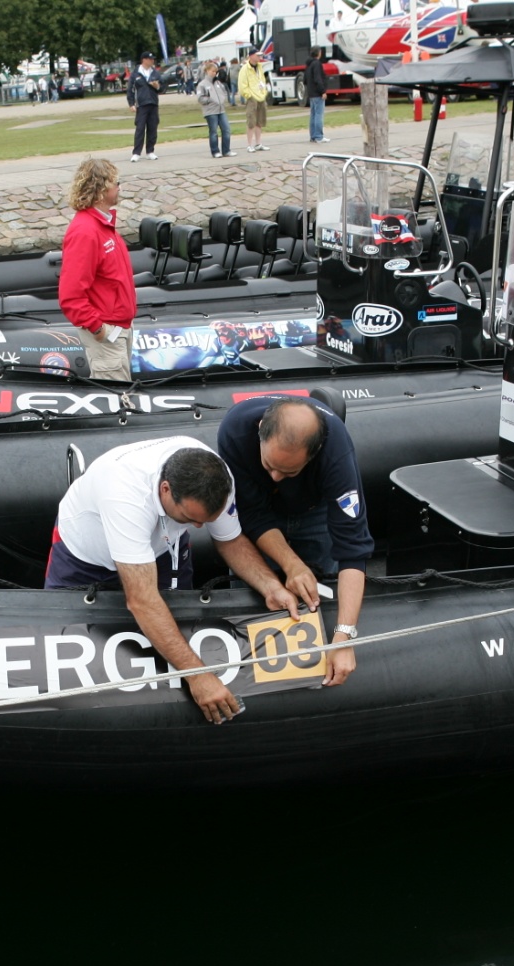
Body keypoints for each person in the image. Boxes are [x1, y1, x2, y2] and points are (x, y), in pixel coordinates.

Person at [45, 437, 299, 723]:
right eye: (190, 517)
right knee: (63, 643)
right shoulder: (125, 493)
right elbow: (142, 602)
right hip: (86, 555)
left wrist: (271, 586)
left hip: (163, 547)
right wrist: (199, 676)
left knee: (180, 627)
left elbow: (230, 540)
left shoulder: (217, 477)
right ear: (165, 489)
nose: (199, 526)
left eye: (203, 520)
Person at [216, 396, 371, 686]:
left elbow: (353, 548)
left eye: (289, 472)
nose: (276, 477)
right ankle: (243, 675)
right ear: (261, 429)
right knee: (250, 593)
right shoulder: (235, 430)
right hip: (258, 512)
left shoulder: (336, 452)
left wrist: (345, 635)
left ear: (314, 454)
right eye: (269, 465)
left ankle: (320, 659)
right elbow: (251, 515)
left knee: (319, 592)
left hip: (314, 511)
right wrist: (292, 565)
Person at [58, 158, 135, 382]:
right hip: (107, 332)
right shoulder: (86, 231)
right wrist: (99, 329)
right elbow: (71, 295)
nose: (119, 187)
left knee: (122, 396)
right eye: (116, 182)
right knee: (116, 402)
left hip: (119, 327)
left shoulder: (102, 226)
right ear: (101, 188)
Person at [127, 52, 162, 161]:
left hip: (153, 103)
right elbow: (130, 90)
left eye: (153, 59)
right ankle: (136, 152)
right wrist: (131, 103)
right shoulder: (136, 74)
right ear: (144, 60)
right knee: (140, 128)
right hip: (141, 105)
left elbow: (161, 87)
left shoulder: (155, 73)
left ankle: (150, 151)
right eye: (150, 59)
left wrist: (157, 86)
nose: (152, 61)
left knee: (153, 128)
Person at [198, 61, 234, 158]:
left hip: (221, 110)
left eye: (215, 71)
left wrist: (222, 100)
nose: (214, 73)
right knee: (213, 131)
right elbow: (200, 98)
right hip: (210, 111)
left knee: (226, 129)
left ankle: (226, 150)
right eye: (212, 71)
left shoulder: (218, 83)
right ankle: (215, 151)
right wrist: (210, 100)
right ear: (207, 71)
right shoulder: (202, 84)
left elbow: (223, 92)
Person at [238, 51, 270, 153]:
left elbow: (262, 80)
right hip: (252, 97)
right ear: (251, 56)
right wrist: (248, 95)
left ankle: (258, 143)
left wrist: (264, 91)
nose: (260, 57)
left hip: (261, 96)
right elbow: (242, 84)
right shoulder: (245, 69)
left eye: (260, 55)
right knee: (251, 120)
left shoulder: (260, 67)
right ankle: (249, 145)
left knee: (259, 121)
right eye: (257, 55)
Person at [305, 47, 330, 143]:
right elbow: (318, 78)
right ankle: (319, 136)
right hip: (317, 93)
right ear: (318, 53)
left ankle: (313, 136)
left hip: (311, 93)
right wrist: (322, 91)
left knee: (313, 115)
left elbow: (305, 80)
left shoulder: (308, 64)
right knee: (319, 114)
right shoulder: (317, 64)